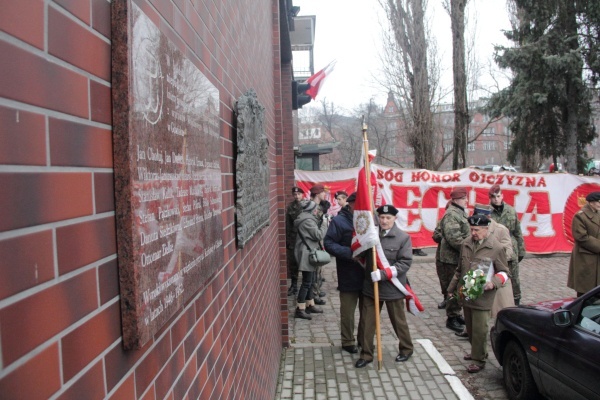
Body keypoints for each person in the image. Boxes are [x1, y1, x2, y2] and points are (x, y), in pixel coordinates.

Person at [447, 214, 509, 373]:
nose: (473, 233)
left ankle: (479, 360)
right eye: (471, 229)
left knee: (480, 328)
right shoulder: (466, 243)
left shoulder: (496, 247)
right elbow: (460, 269)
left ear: (486, 229)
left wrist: (493, 283)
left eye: (477, 230)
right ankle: (477, 351)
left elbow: (504, 272)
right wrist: (451, 289)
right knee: (470, 326)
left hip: (483, 296)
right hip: (466, 292)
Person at [355, 205, 414, 368]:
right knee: (367, 322)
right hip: (371, 287)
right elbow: (360, 255)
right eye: (381, 217)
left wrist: (383, 274)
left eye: (388, 218)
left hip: (392, 287)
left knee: (398, 322)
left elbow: (405, 262)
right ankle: (366, 354)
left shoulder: (403, 238)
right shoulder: (371, 235)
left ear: (395, 219)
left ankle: (406, 349)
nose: (384, 221)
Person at [455, 204, 514, 338]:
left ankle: (496, 335)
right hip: (474, 280)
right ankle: (474, 337)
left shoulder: (500, 230)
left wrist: (491, 258)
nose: (473, 232)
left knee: (497, 311)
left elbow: (507, 251)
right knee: (474, 312)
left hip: (494, 277)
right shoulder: (471, 235)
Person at [324, 192, 364, 354]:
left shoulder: (369, 220)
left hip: (368, 273)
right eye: (358, 204)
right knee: (347, 312)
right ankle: (348, 341)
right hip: (348, 273)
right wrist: (349, 253)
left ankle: (365, 339)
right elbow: (328, 243)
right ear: (351, 204)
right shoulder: (339, 221)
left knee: (367, 312)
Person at [437, 187, 470, 333]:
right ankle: (452, 318)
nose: (466, 200)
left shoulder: (460, 212)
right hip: (450, 259)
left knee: (459, 288)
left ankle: (456, 314)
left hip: (457, 257)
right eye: (464, 198)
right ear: (456, 200)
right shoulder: (451, 214)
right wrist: (470, 249)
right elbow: (454, 239)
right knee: (453, 288)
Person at [489, 184, 526, 305]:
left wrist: (521, 250)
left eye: (498, 196)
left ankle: (516, 300)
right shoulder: (487, 212)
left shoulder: (510, 210)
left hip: (511, 249)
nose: (496, 199)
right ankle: (496, 301)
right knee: (496, 276)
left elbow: (517, 232)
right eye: (493, 197)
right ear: (490, 198)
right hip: (495, 250)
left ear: (502, 196)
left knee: (514, 277)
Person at [294, 200, 329, 319]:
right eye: (315, 209)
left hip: (310, 253)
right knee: (306, 282)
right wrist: (325, 223)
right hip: (306, 254)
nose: (317, 211)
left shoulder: (307, 218)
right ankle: (300, 308)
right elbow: (319, 235)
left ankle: (310, 304)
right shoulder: (307, 221)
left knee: (311, 279)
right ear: (312, 209)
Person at [568, 191, 600, 297]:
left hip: (596, 257)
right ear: (591, 203)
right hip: (586, 258)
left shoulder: (598, 213)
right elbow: (581, 237)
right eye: (598, 202)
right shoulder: (580, 216)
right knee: (585, 291)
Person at [310, 184, 329, 305]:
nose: (325, 195)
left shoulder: (317, 207)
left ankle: (315, 291)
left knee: (317, 271)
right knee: (314, 271)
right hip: (314, 241)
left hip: (317, 241)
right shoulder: (313, 208)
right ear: (317, 194)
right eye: (323, 193)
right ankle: (313, 294)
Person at [286, 186, 305, 296]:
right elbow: (288, 224)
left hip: (304, 238)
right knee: (293, 263)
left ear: (302, 194)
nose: (297, 196)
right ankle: (294, 285)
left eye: (298, 194)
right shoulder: (291, 207)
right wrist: (288, 240)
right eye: (295, 194)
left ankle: (310, 287)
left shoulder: (308, 205)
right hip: (294, 238)